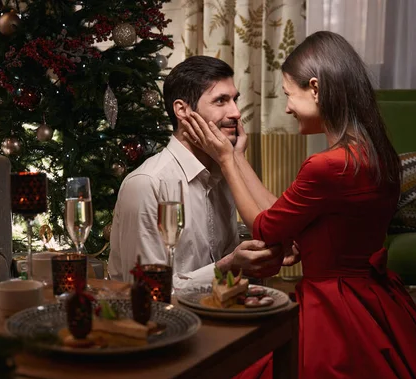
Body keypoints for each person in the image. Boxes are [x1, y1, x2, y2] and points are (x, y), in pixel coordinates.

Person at [182, 32, 416, 379]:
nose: (288, 108)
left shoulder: (327, 165)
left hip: (335, 307)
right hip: (376, 300)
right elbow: (283, 215)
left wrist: (226, 160)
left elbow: (265, 227)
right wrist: (240, 158)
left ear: (315, 88)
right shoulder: (375, 153)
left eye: (288, 95)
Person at [108, 55, 298, 288]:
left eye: (235, 100)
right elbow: (144, 289)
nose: (236, 112)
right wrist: (227, 266)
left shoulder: (224, 172)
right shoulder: (147, 184)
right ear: (183, 110)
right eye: (221, 101)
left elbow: (275, 229)